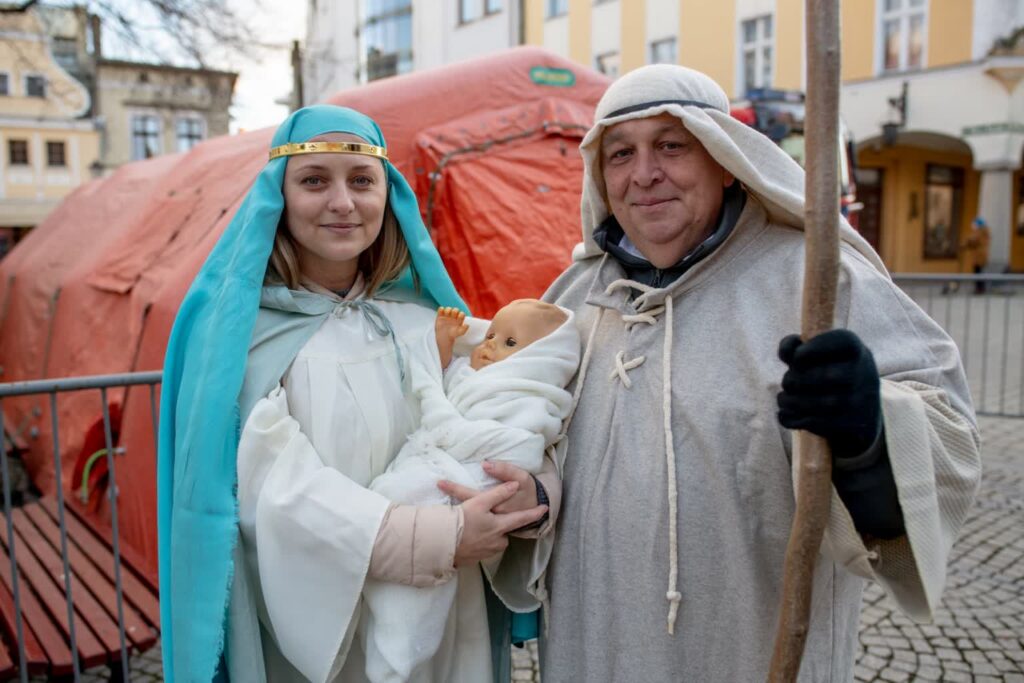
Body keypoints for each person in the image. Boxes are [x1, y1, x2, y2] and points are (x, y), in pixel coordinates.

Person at [523, 65, 981, 681]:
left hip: (744, 649)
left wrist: (869, 433)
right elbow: (518, 432)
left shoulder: (818, 281)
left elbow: (946, 426)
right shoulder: (574, 297)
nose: (644, 174)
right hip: (588, 645)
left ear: (724, 157)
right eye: (620, 154)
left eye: (671, 145)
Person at [158, 105, 552, 683]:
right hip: (321, 641)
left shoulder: (426, 323)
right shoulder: (244, 343)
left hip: (446, 620)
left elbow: (513, 399)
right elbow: (273, 491)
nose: (342, 202)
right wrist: (432, 538)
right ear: (279, 197)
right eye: (315, 179)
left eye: (361, 180)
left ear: (387, 197)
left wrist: (529, 489)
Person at [361, 300, 580, 682]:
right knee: (392, 514)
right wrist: (444, 350)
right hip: (434, 476)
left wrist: (441, 418)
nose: (489, 345)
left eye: (509, 342)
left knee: (419, 562)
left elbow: (518, 449)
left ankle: (400, 653)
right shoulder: (475, 378)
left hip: (462, 488)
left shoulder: (530, 399)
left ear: (539, 362)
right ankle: (393, 641)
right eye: (491, 334)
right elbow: (450, 382)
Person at [961, 216, 991, 293]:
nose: (973, 225)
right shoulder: (983, 231)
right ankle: (980, 288)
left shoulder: (980, 231)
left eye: (974, 224)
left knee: (978, 272)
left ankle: (980, 289)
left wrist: (965, 244)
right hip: (980, 255)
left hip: (979, 256)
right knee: (979, 271)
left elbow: (973, 240)